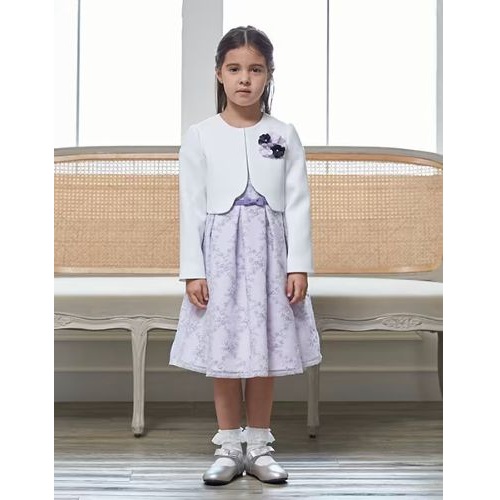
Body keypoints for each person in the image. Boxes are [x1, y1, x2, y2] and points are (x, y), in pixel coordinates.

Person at [169, 25, 322, 486]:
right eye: (234, 68)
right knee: (226, 347)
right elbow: (191, 206)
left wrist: (298, 265)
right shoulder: (200, 135)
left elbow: (298, 204)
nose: (244, 79)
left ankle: (258, 446)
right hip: (220, 258)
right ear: (219, 73)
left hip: (270, 258)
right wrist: (193, 270)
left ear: (268, 74)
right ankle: (228, 447)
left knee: (264, 348)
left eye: (255, 69)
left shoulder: (283, 133)